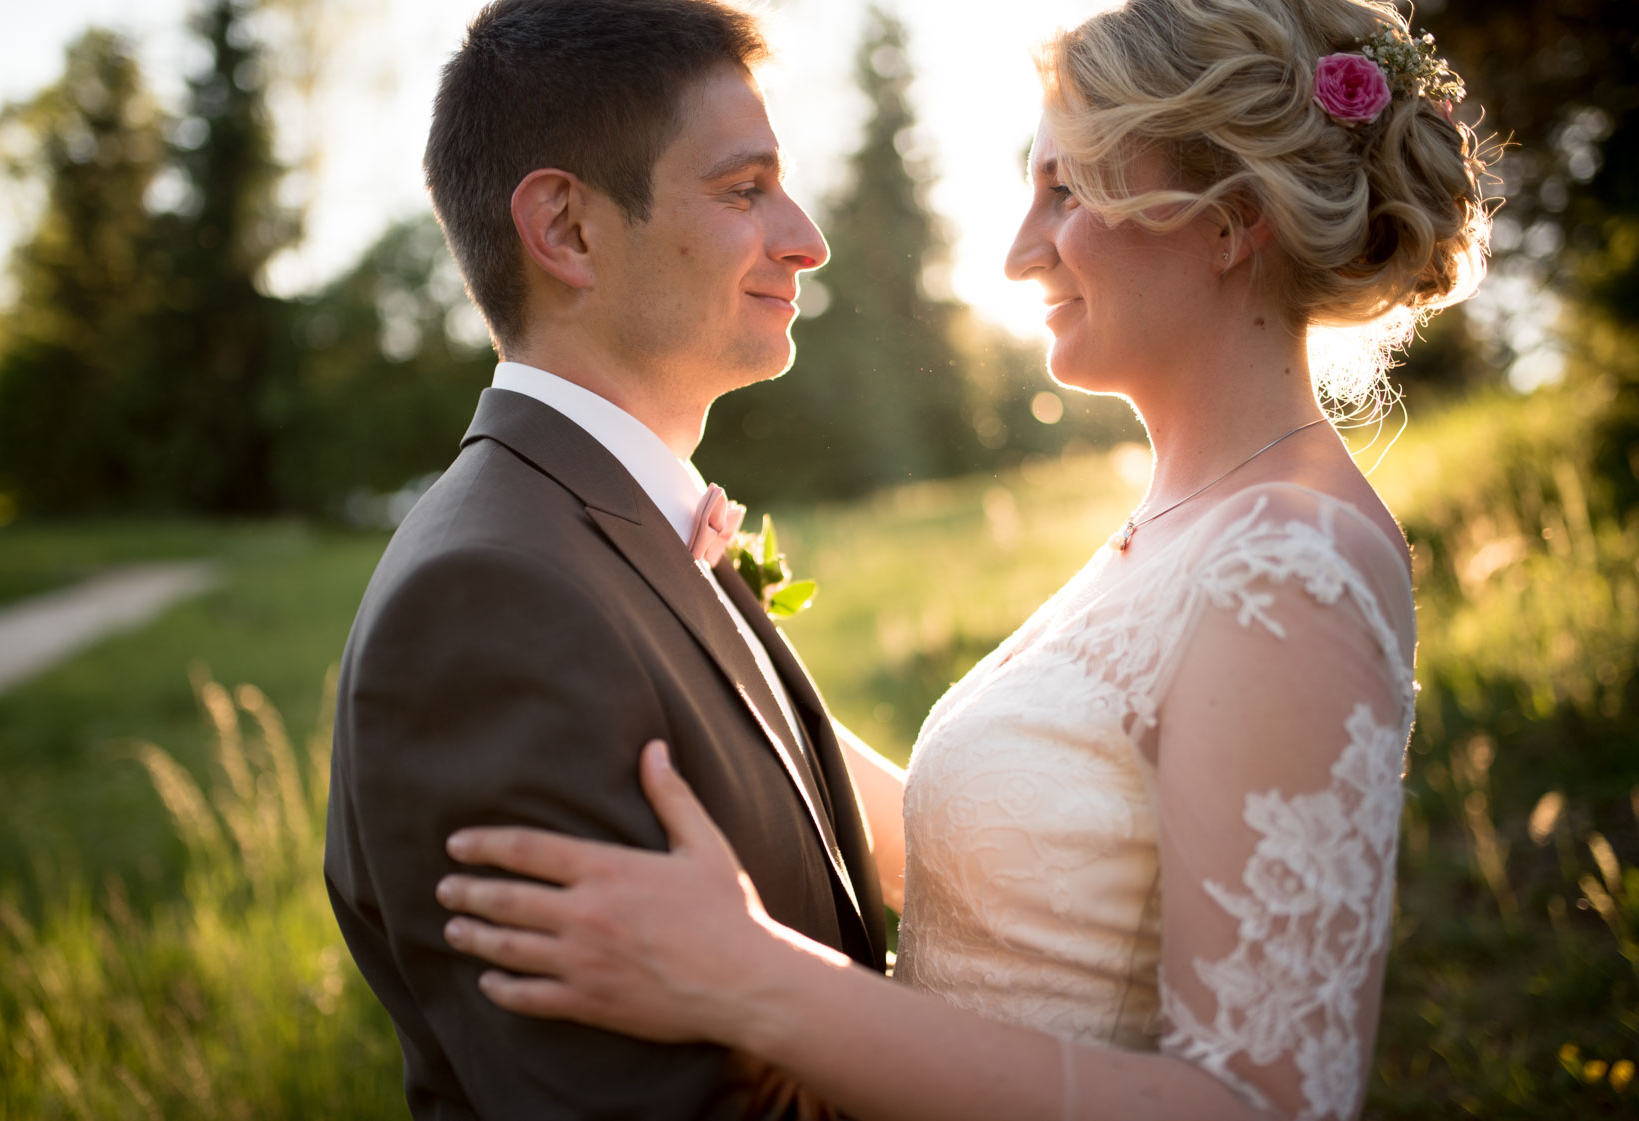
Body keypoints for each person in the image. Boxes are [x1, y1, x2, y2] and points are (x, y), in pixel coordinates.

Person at [432, 1, 1495, 1119]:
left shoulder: (1293, 560)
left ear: (1230, 220)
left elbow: (1263, 1104)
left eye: (1068, 190)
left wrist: (750, 980)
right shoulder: (1184, 524)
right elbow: (1016, 875)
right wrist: (712, 625)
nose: (1019, 250)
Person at [322, 1, 889, 1117]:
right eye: (744, 189)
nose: (807, 237)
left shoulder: (617, 526)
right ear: (569, 231)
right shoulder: (485, 604)